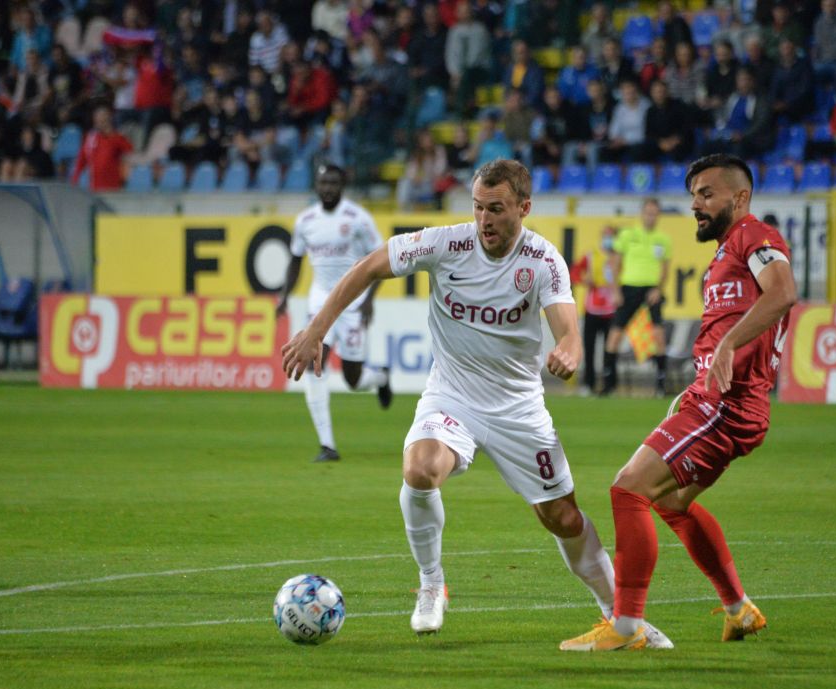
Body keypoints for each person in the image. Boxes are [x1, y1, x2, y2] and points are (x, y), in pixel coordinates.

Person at [281, 159, 672, 647]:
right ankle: (430, 584)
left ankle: (620, 619)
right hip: (452, 394)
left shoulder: (542, 260)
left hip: (518, 408)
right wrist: (316, 330)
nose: (484, 219)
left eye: (496, 209)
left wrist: (569, 350)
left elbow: (568, 328)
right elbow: (369, 266)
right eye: (478, 207)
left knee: (562, 517)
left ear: (523, 208)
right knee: (420, 469)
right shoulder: (446, 244)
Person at [561, 153, 796, 651]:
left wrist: (728, 346)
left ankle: (626, 627)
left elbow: (783, 293)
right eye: (693, 195)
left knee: (628, 490)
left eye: (707, 193)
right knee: (670, 502)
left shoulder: (757, 236)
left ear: (741, 197)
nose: (696, 204)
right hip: (721, 401)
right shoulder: (730, 249)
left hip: (725, 405)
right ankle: (739, 609)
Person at [278, 164, 392, 463]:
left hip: (353, 305)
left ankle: (380, 378)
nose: (327, 187)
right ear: (316, 185)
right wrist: (284, 295)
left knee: (354, 380)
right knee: (315, 365)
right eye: (323, 182)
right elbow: (295, 260)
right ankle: (327, 445)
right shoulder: (305, 221)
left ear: (342, 185)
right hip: (320, 305)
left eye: (333, 182)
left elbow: (381, 260)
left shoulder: (358, 219)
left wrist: (369, 301)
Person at [602, 197, 672, 396]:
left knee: (658, 336)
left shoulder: (663, 239)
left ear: (658, 215)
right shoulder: (627, 235)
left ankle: (661, 385)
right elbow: (615, 264)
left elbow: (665, 269)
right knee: (614, 336)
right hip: (628, 288)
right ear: (642, 213)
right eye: (648, 212)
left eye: (654, 213)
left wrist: (658, 289)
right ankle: (609, 385)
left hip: (651, 290)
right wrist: (615, 291)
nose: (651, 216)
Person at [569, 225, 618, 395]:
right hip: (592, 308)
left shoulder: (619, 256)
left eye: (611, 236)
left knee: (610, 349)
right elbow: (574, 272)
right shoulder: (591, 255)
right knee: (589, 349)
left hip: (611, 309)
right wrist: (584, 279)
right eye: (605, 235)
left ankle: (609, 384)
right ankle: (588, 383)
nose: (608, 239)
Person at [70, 105, 133, 191]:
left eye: (103, 119)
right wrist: (75, 180)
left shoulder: (116, 138)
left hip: (113, 188)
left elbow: (130, 151)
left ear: (109, 120)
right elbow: (81, 161)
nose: (100, 122)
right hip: (94, 188)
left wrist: (112, 134)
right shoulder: (90, 139)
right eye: (98, 119)